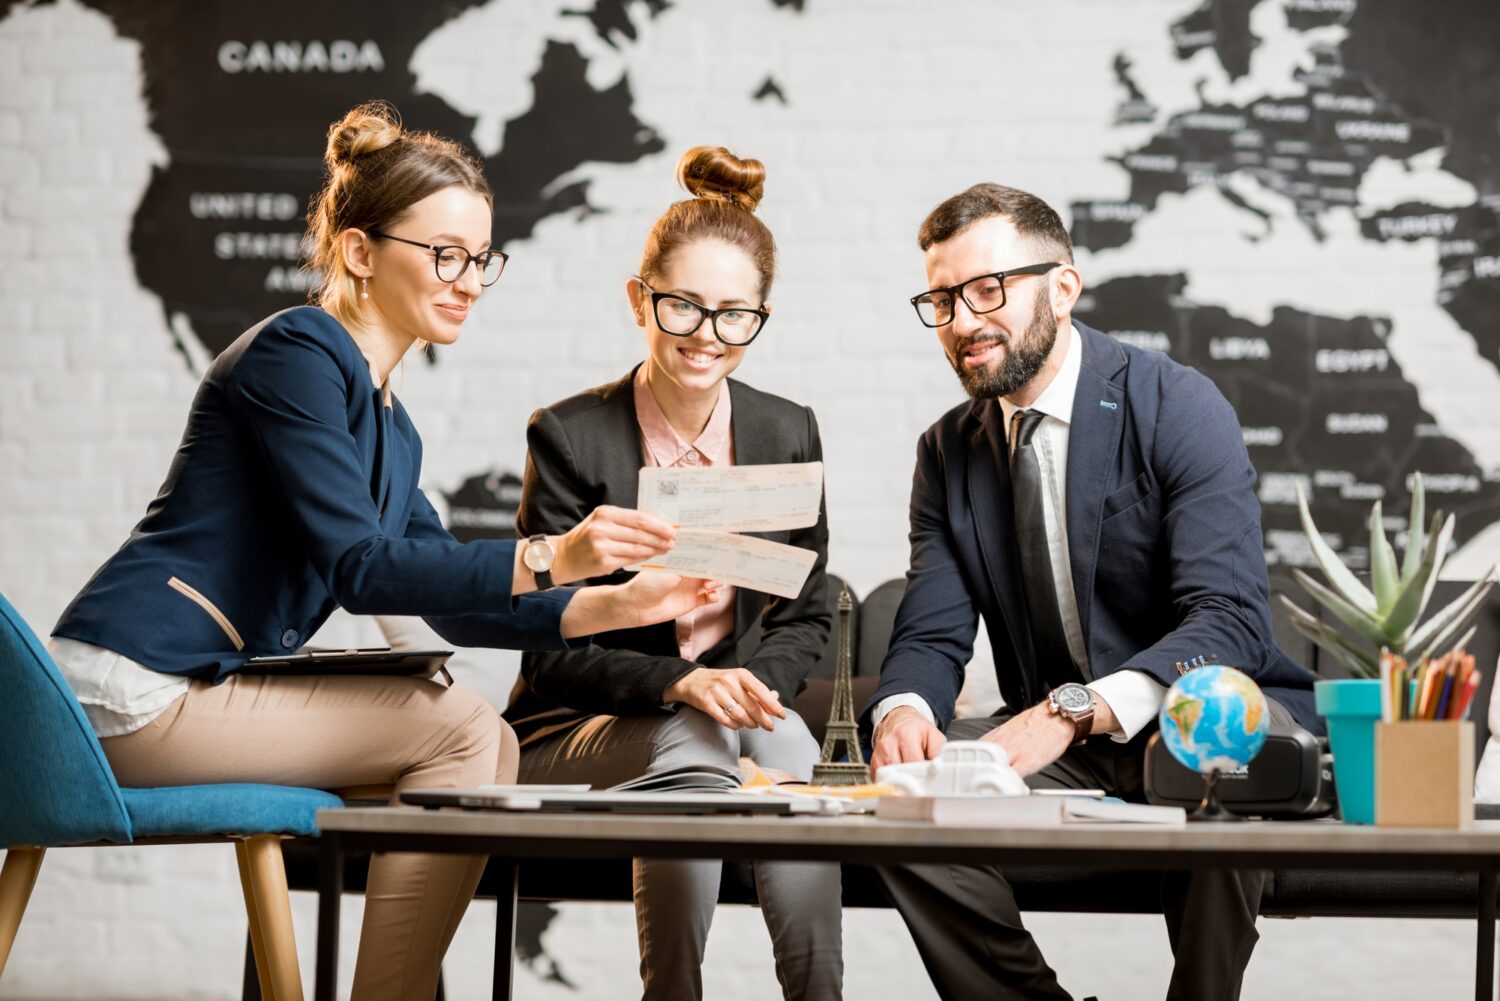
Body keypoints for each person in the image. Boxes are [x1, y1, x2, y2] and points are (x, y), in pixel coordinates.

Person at [49, 102, 714, 1001]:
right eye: (444, 253)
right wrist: (558, 551)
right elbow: (361, 568)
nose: (468, 280)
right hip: (133, 687)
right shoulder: (298, 354)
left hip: (184, 685)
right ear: (359, 252)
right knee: (463, 729)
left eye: (481, 259)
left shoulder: (390, 424)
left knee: (465, 733)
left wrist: (617, 603)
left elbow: (443, 593)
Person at [863, 182, 1322, 1001]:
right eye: (941, 298)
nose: (962, 320)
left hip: (1198, 717)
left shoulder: (1176, 404)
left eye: (986, 289)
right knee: (905, 808)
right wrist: (903, 709)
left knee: (1220, 750)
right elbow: (932, 634)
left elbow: (1231, 617)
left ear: (1063, 286)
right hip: (1066, 750)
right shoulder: (947, 451)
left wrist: (1074, 708)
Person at [504, 146, 843, 1001]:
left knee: (794, 747)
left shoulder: (786, 430)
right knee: (694, 740)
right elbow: (549, 646)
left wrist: (742, 685)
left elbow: (806, 610)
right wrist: (684, 686)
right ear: (638, 299)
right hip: (582, 723)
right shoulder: (572, 436)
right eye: (683, 305)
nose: (706, 334)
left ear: (761, 317)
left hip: (730, 717)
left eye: (735, 314)